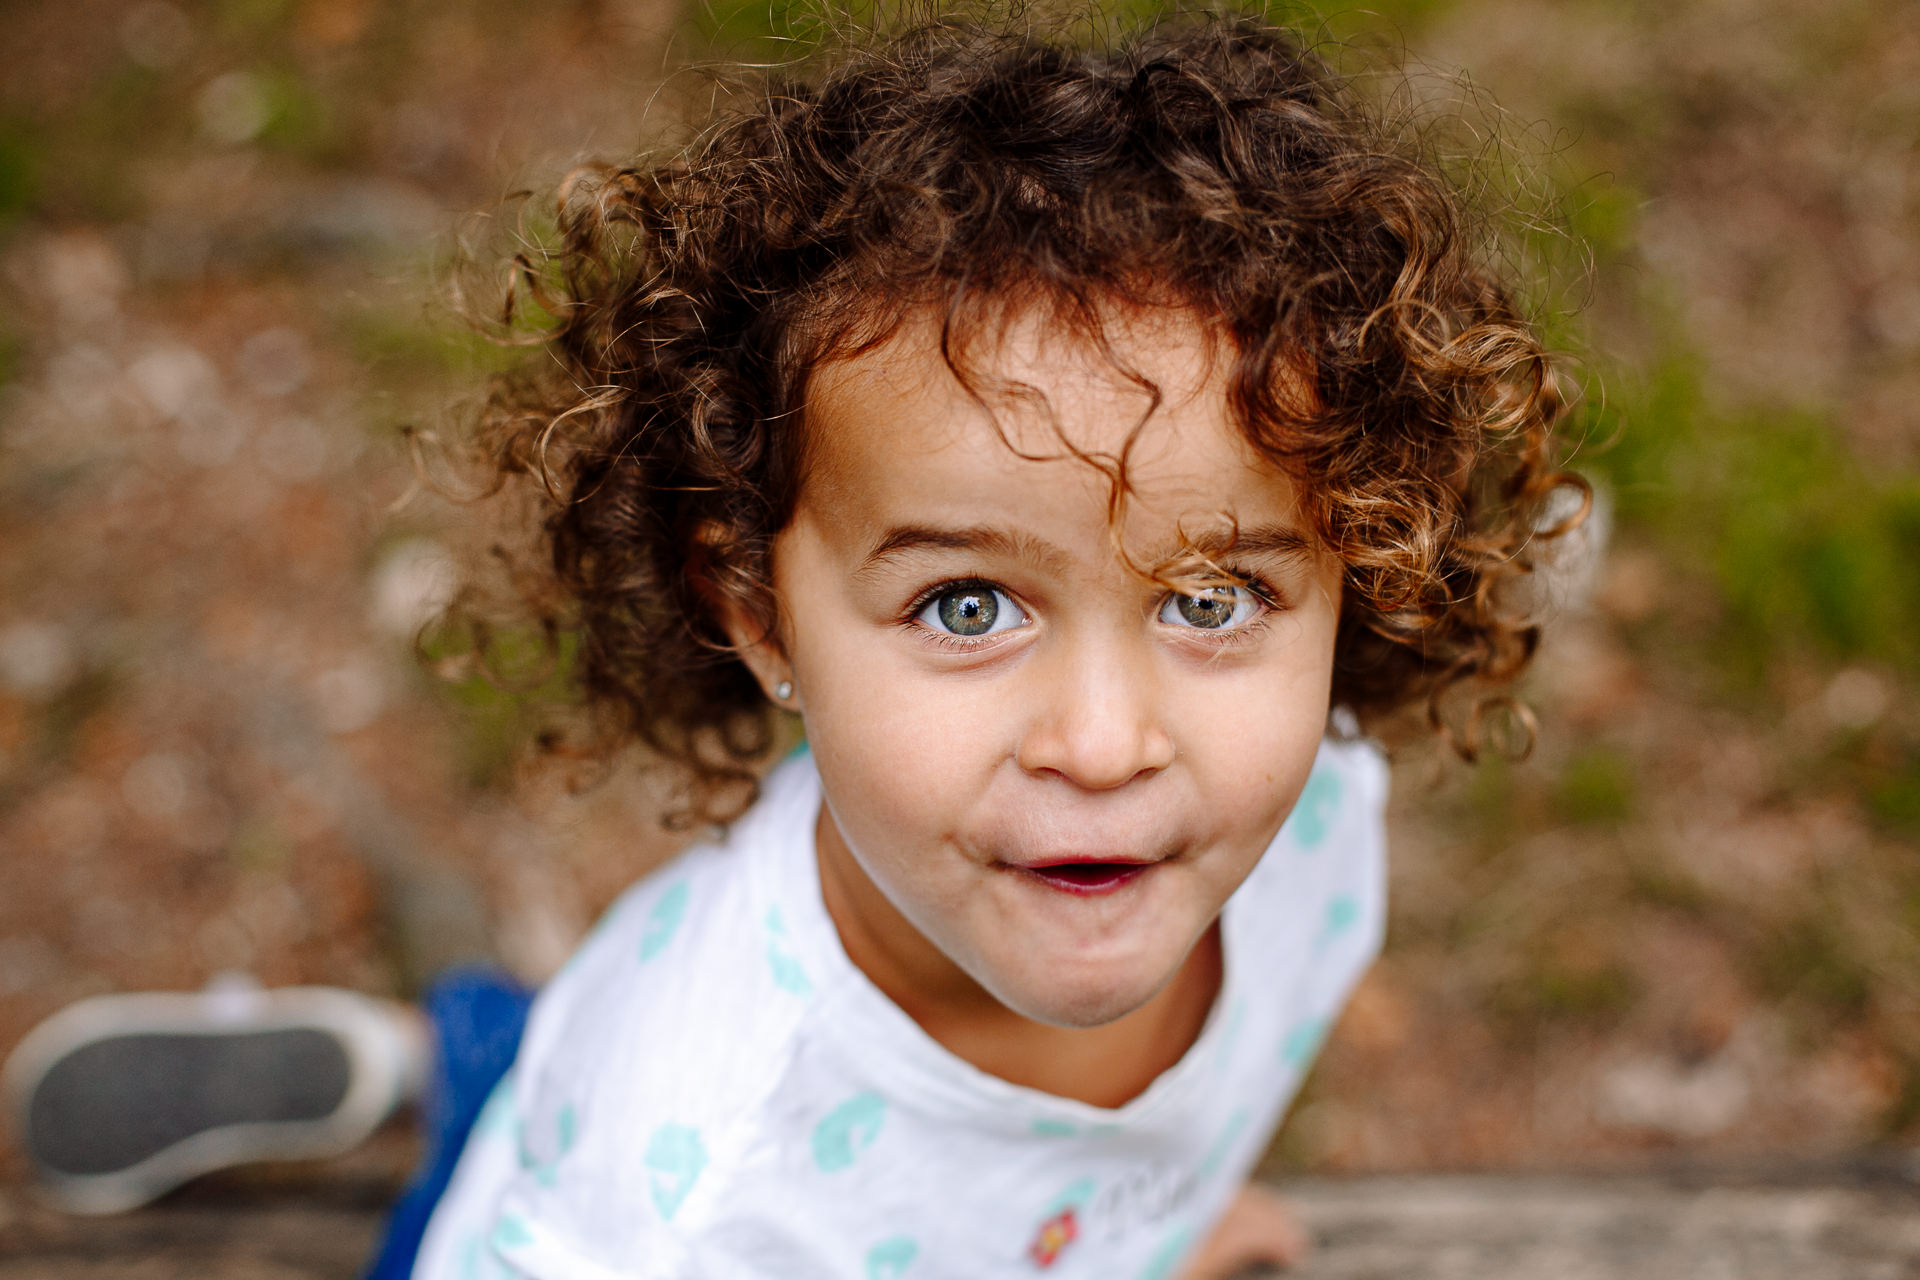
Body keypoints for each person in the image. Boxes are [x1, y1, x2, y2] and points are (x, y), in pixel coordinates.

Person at [6, 13, 1581, 1278]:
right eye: (969, 606)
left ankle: (443, 1056)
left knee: (530, 1054)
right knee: (539, 1111)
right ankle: (452, 1083)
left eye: (1213, 600)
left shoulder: (1311, 826)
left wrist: (1149, 1231)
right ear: (755, 612)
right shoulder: (656, 1220)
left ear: (1352, 571)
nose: (1108, 745)